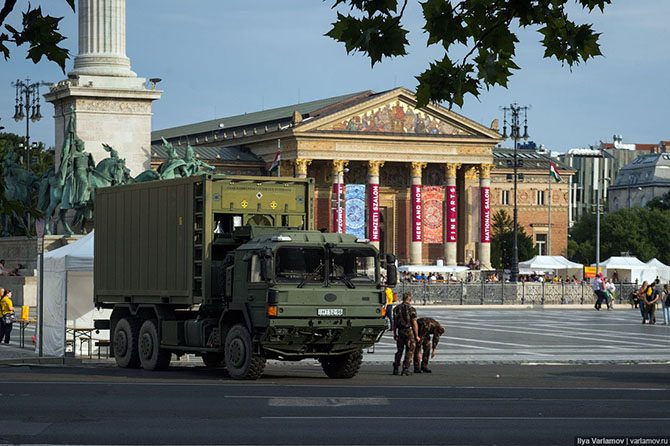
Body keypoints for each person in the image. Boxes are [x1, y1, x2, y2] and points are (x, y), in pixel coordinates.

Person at [392, 292, 420, 376]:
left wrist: (395, 333)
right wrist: (416, 335)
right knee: (410, 350)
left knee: (399, 350)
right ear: (410, 299)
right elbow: (414, 323)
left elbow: (395, 323)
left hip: (400, 331)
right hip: (408, 331)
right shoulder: (411, 309)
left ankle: (396, 368)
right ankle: (405, 369)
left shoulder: (396, 308)